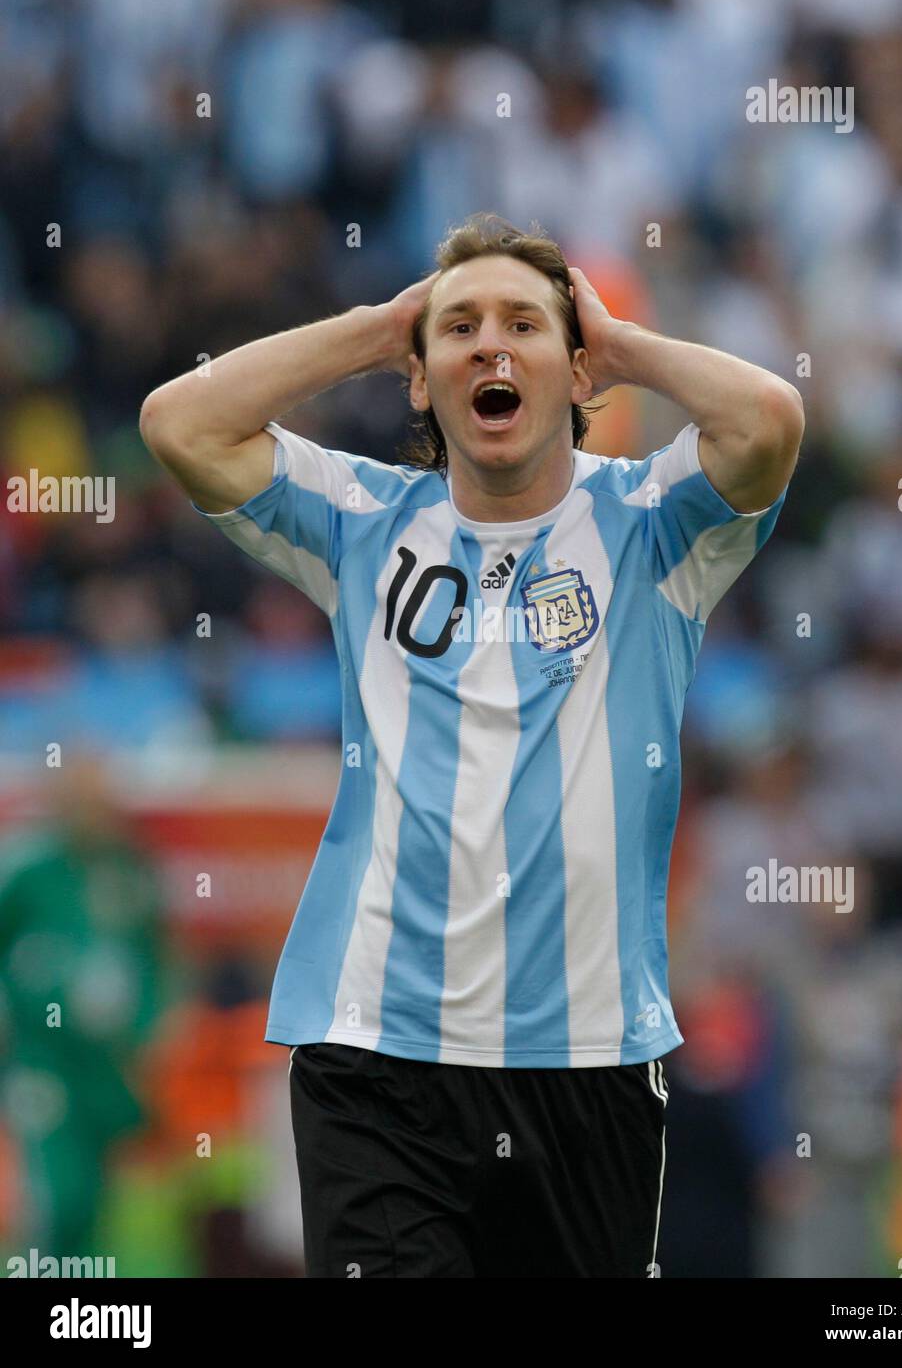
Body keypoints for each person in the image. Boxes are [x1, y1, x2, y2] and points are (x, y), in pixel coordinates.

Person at [139, 212, 803, 1278]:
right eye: (458, 328)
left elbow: (767, 416)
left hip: (587, 1058)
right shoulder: (361, 517)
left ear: (574, 366)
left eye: (525, 325)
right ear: (421, 379)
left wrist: (618, 345)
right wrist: (375, 327)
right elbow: (180, 422)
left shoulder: (651, 524)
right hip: (377, 1054)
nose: (491, 345)